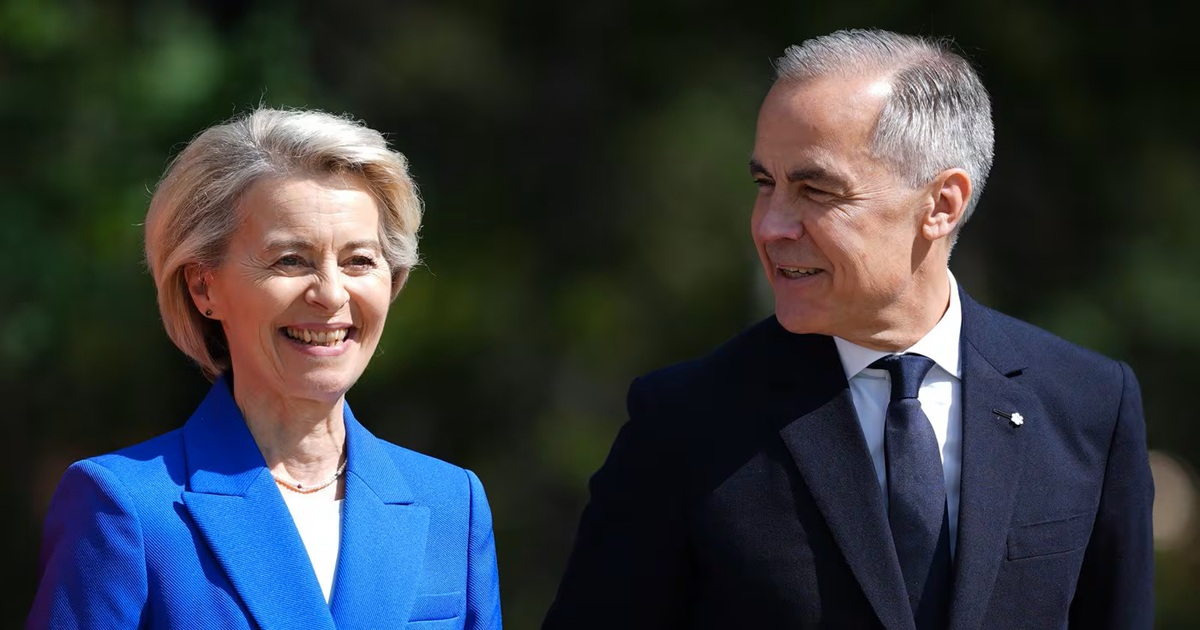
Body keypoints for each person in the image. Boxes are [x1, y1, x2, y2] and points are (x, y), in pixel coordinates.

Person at [543, 29, 1153, 630]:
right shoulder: (682, 423)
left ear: (942, 205)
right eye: (765, 184)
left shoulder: (1088, 404)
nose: (771, 226)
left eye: (815, 190)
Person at [28, 107, 502, 629]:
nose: (331, 294)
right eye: (290, 260)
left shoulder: (452, 504)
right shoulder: (125, 507)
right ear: (203, 287)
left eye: (359, 261)